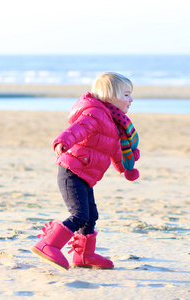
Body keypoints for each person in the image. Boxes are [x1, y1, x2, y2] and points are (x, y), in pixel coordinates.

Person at [31, 72, 140, 270]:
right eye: (126, 95)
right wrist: (63, 141)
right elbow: (79, 128)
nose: (131, 99)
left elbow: (114, 150)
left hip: (86, 175)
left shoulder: (115, 123)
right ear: (109, 96)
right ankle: (49, 244)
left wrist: (125, 167)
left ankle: (84, 255)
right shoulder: (96, 113)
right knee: (79, 214)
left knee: (91, 216)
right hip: (72, 171)